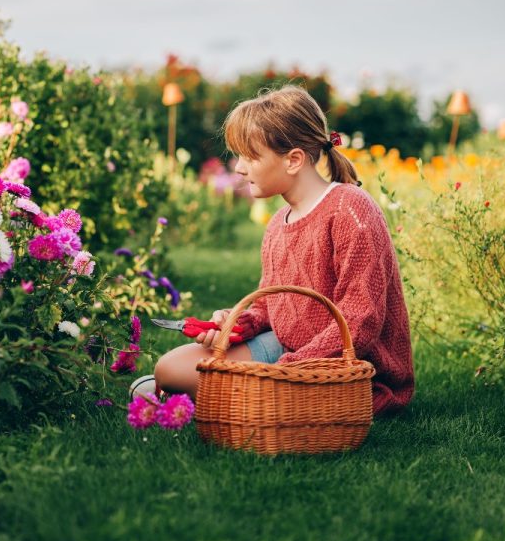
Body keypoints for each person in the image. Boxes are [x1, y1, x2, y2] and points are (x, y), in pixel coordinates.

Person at [137, 85, 414, 416]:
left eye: (250, 156)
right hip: (287, 350)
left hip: (350, 369)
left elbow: (360, 320)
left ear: (294, 160)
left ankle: (232, 398)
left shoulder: (351, 210)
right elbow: (270, 304)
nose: (239, 168)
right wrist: (237, 322)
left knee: (175, 382)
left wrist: (287, 372)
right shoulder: (276, 225)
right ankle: (233, 395)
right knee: (170, 368)